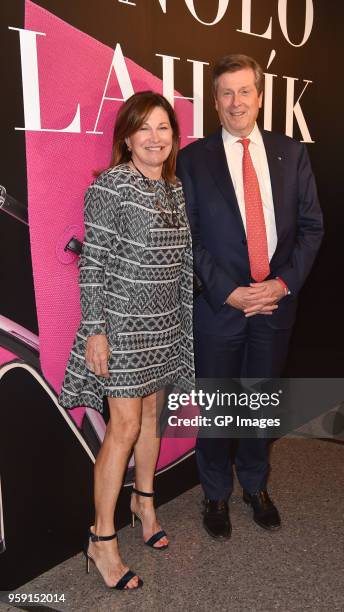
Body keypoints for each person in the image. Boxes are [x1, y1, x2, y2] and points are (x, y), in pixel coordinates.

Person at [177, 54, 323, 539]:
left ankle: (256, 486)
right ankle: (215, 493)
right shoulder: (193, 159)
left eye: (245, 91)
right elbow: (188, 237)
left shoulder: (291, 153)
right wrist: (229, 292)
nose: (236, 102)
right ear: (214, 102)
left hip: (276, 304)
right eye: (226, 93)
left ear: (260, 97)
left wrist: (281, 285)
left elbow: (310, 229)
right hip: (219, 308)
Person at [59, 91, 194, 588]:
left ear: (174, 138)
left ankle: (145, 504)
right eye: (144, 128)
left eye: (163, 128)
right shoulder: (111, 186)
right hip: (122, 326)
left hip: (164, 327)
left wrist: (181, 328)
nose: (154, 138)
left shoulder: (174, 189)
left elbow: (179, 268)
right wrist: (96, 330)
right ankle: (102, 540)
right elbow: (92, 264)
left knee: (153, 418)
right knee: (123, 429)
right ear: (127, 137)